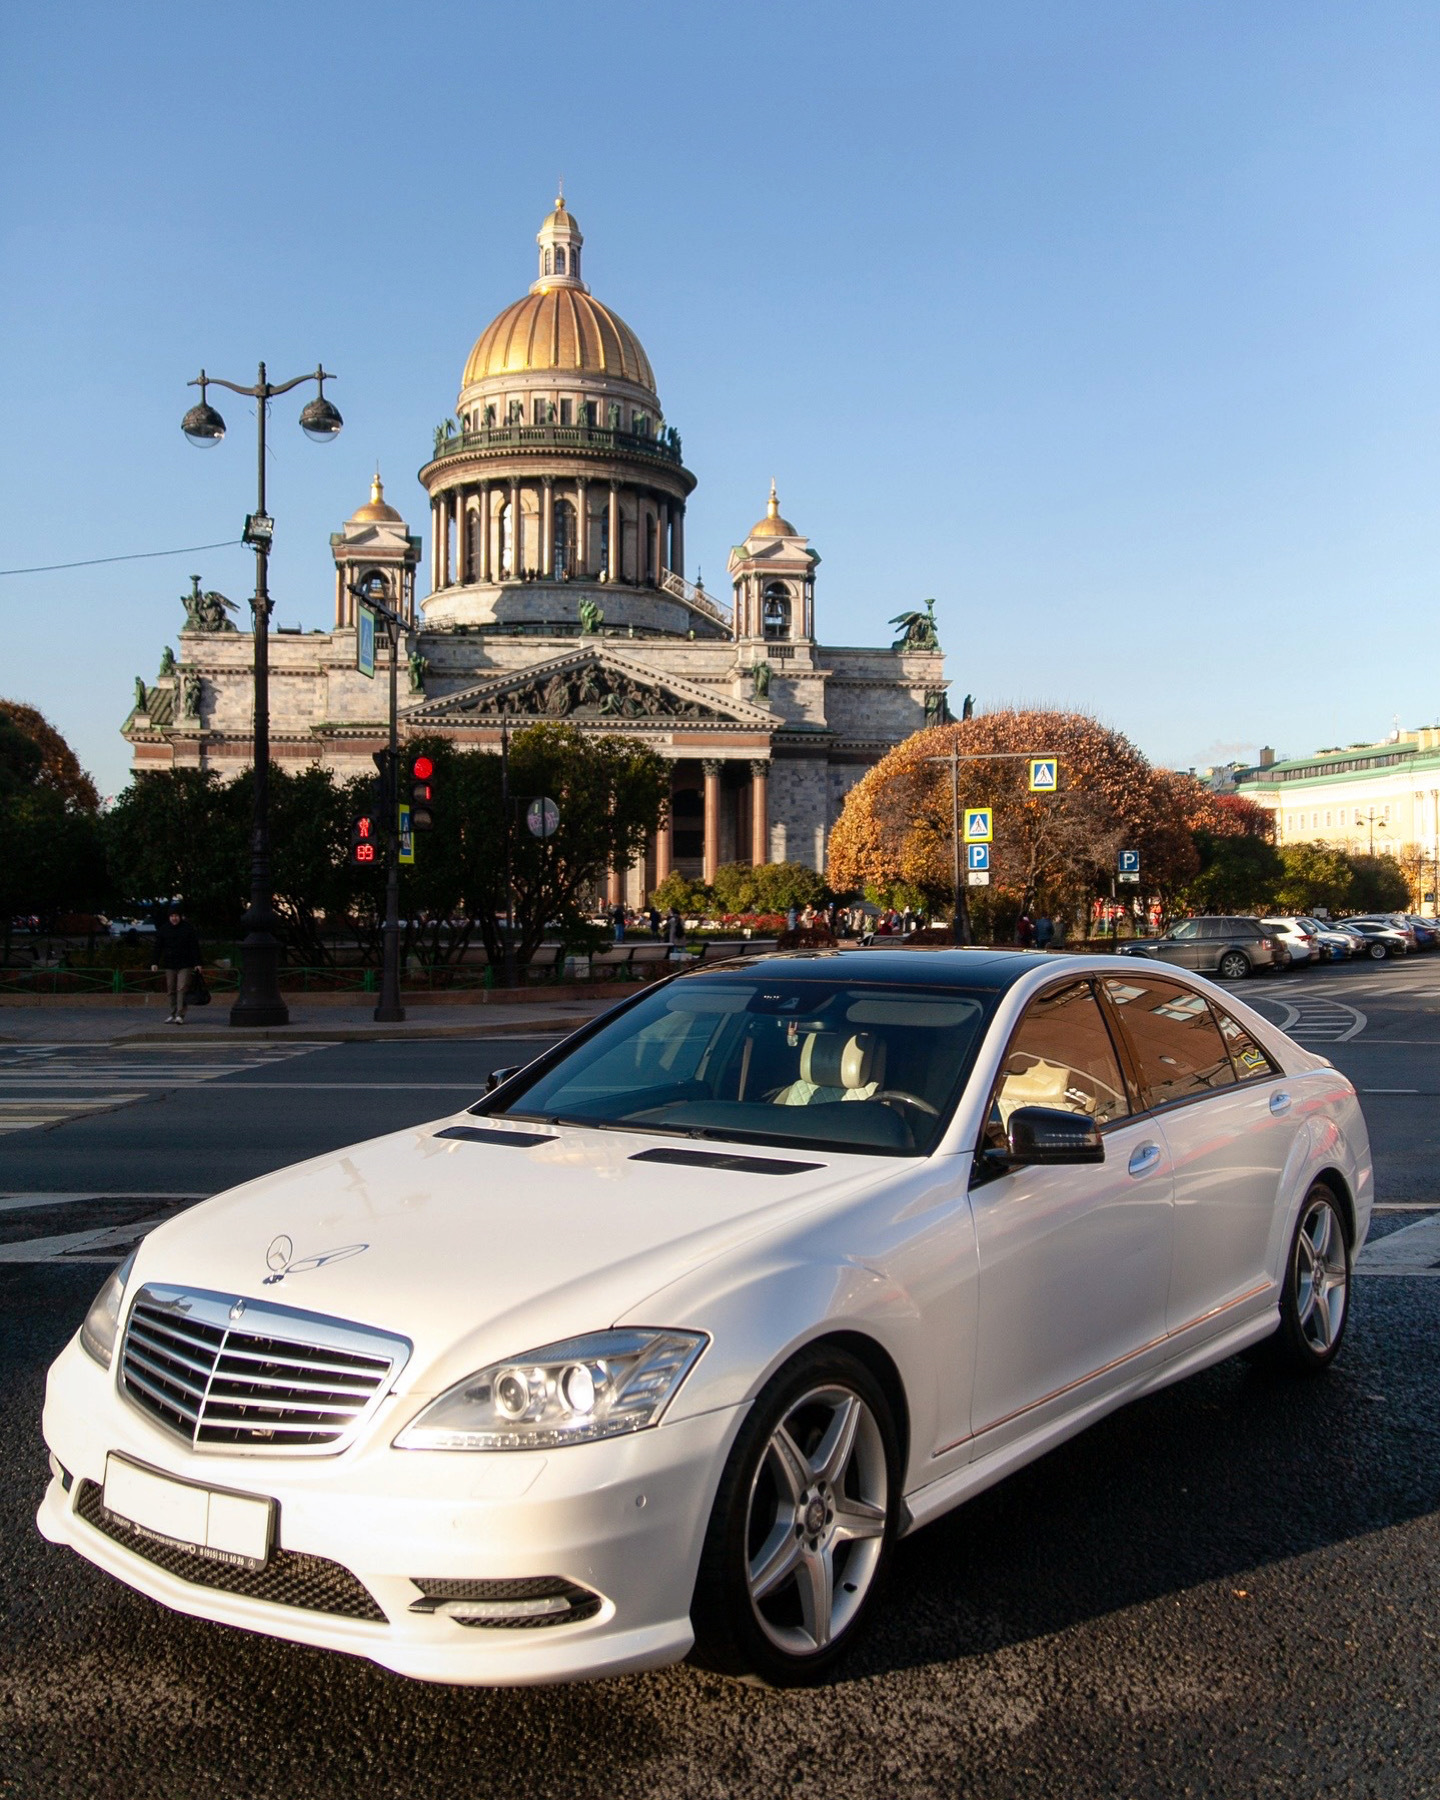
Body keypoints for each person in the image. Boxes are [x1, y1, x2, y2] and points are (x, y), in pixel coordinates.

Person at [153, 903, 202, 1024]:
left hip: (185, 963)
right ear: (169, 917)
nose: (174, 918)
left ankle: (180, 1014)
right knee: (170, 989)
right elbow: (158, 947)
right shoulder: (164, 929)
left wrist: (197, 963)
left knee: (181, 988)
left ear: (180, 916)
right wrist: (154, 962)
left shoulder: (187, 928)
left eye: (176, 916)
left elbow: (194, 947)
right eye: (172, 916)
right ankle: (173, 1013)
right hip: (169, 964)